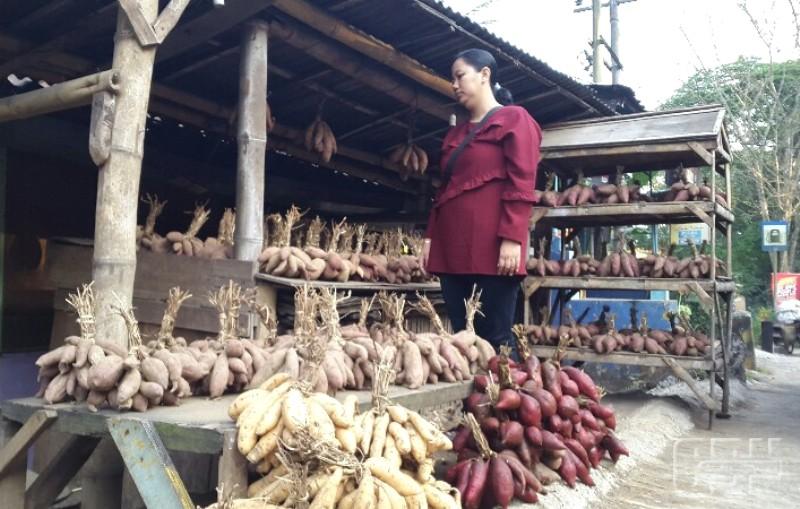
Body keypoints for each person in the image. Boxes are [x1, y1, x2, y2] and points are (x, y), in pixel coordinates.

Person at [422, 48, 542, 351]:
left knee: (495, 340)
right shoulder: (455, 135)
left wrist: (513, 238)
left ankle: (502, 394)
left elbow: (522, 182)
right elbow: (444, 191)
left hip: (493, 250)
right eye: (452, 79)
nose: (454, 84)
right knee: (462, 339)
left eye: (460, 75)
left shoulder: (515, 119)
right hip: (451, 250)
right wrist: (429, 240)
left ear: (485, 74)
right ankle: (469, 399)